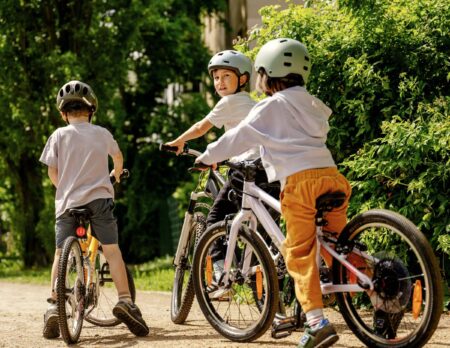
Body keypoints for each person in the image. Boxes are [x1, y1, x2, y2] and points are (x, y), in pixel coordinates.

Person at [196, 38, 351, 348]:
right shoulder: (312, 102)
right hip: (332, 177)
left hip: (300, 184)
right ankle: (381, 296)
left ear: (267, 73)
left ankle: (318, 323)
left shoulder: (270, 105)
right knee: (340, 248)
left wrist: (208, 156)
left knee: (298, 253)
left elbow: (239, 136)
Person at [40, 80, 149, 339]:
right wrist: (117, 175)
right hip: (100, 200)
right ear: (91, 111)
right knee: (111, 251)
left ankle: (55, 304)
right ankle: (125, 300)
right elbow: (118, 157)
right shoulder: (102, 133)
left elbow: (52, 171)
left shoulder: (57, 135)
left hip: (67, 203)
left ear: (63, 113)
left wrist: (64, 188)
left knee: (59, 252)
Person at [165, 50, 276, 281]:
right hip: (269, 169)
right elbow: (239, 137)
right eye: (216, 77)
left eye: (227, 76)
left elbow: (201, 127)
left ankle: (220, 272)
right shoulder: (253, 104)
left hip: (246, 171)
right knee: (260, 230)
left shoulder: (229, 102)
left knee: (215, 220)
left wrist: (179, 141)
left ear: (243, 79)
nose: (220, 82)